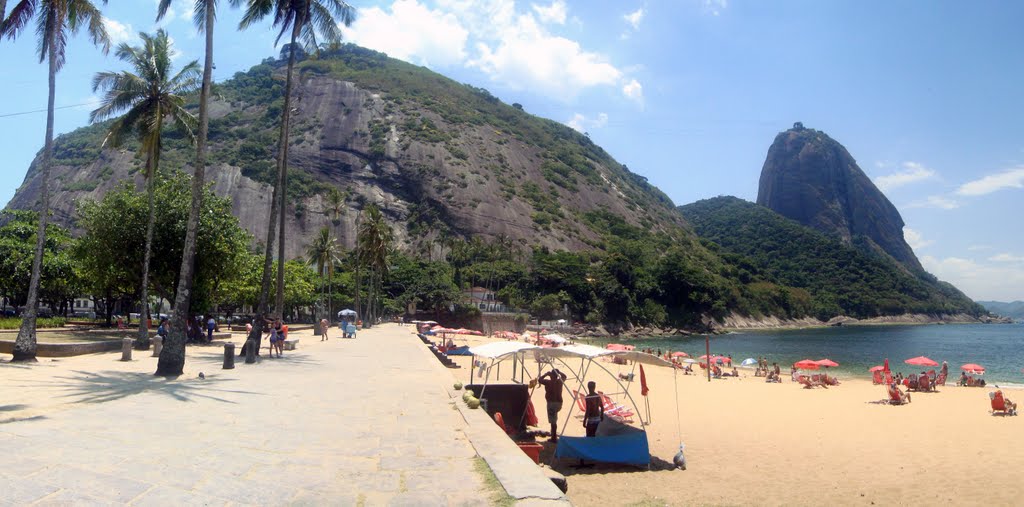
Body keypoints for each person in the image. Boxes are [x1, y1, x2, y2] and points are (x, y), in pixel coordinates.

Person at [538, 369, 568, 442]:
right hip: (559, 403)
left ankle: (553, 437)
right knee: (554, 420)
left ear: (551, 375)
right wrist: (559, 372)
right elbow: (564, 376)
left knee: (553, 422)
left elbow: (539, 380)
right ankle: (553, 435)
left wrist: (546, 374)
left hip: (552, 403)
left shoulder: (548, 382)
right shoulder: (559, 382)